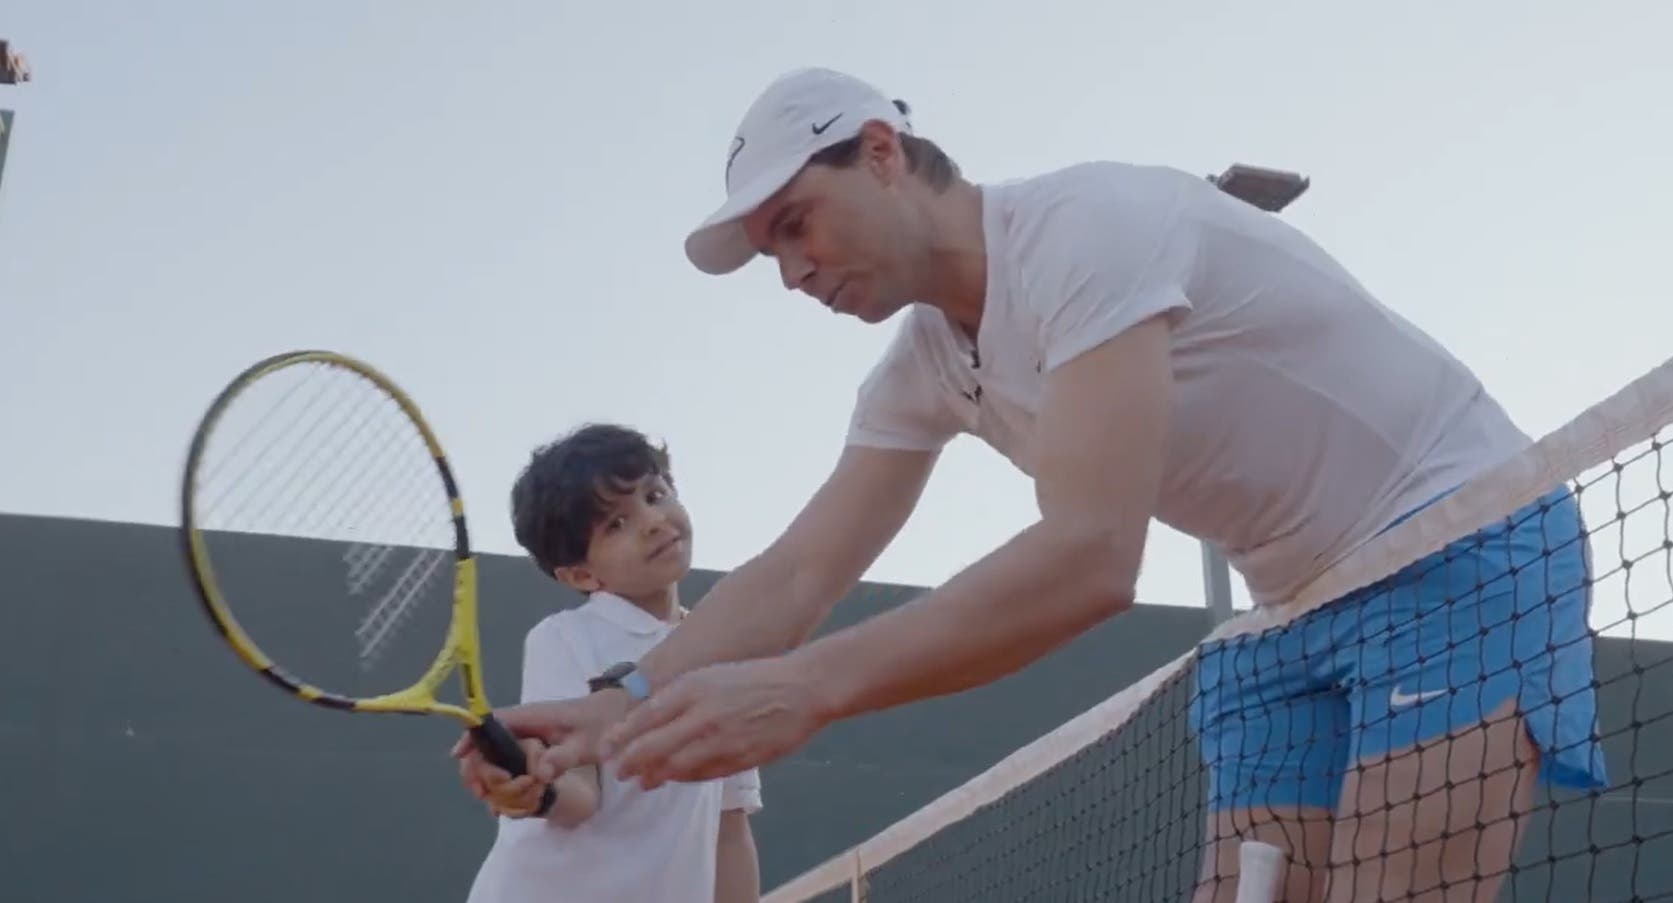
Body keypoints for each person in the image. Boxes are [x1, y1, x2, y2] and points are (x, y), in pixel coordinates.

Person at [457, 68, 1605, 902]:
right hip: (1285, 616)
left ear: (881, 152)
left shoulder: (1088, 229)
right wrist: (618, 710)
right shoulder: (916, 370)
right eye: (769, 254)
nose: (792, 270)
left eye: (796, 223)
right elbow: (799, 570)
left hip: (1453, 543)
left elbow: (1091, 556)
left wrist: (803, 689)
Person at [461, 424, 762, 903]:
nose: (653, 521)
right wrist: (540, 793)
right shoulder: (563, 638)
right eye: (615, 524)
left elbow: (729, 828)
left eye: (655, 494)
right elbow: (580, 792)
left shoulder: (718, 652)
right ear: (582, 574)